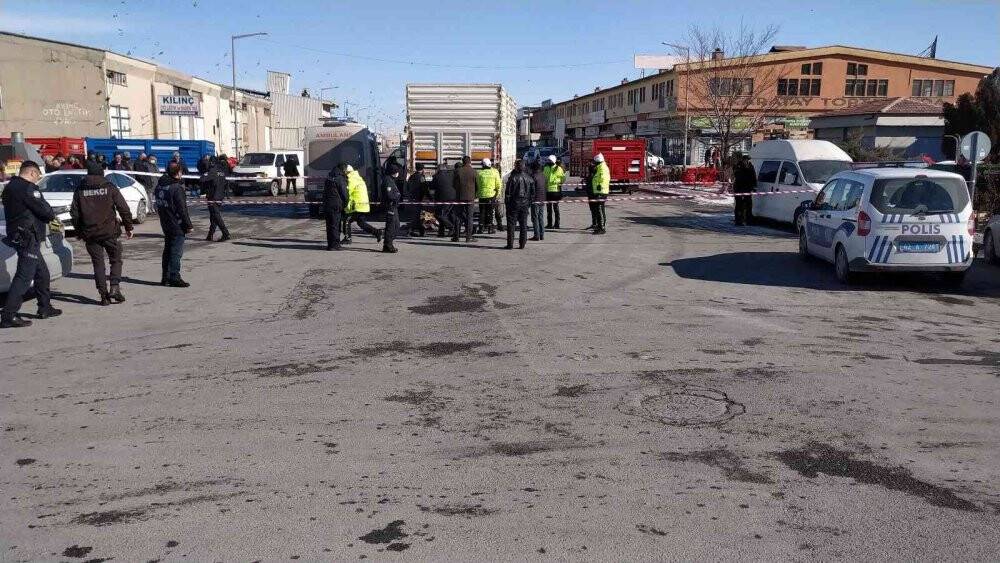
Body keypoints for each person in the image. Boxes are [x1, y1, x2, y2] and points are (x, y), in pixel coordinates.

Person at [1, 161, 61, 328]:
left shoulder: (9, 187)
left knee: (42, 272)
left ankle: (45, 307)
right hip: (28, 237)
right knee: (24, 276)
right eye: (37, 176)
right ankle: (8, 315)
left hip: (18, 234)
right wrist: (51, 216)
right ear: (32, 173)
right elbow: (46, 211)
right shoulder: (28, 189)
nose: (37, 180)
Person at [70, 160, 134, 305]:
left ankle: (103, 296)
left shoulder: (80, 189)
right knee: (116, 259)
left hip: (90, 234)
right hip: (109, 232)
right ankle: (115, 288)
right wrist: (129, 227)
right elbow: (123, 208)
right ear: (101, 172)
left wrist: (80, 232)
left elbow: (74, 214)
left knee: (98, 264)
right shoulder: (109, 187)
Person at [154, 163, 193, 287]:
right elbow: (182, 209)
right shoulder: (176, 188)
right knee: (176, 252)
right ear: (178, 173)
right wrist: (188, 225)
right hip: (176, 224)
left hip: (165, 222)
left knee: (167, 250)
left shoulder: (160, 185)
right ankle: (174, 277)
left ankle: (165, 277)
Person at [343, 164, 382, 245]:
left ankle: (348, 238)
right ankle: (377, 232)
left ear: (346, 172)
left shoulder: (351, 179)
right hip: (363, 205)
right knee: (361, 223)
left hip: (357, 206)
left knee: (347, 221)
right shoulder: (358, 178)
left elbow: (347, 192)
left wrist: (345, 204)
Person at [504, 160, 533, 250]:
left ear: (516, 167)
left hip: (513, 205)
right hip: (524, 205)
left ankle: (510, 244)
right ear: (524, 167)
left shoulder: (512, 178)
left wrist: (507, 205)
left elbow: (508, 193)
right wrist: (528, 204)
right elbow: (533, 194)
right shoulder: (529, 178)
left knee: (511, 225)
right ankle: (522, 244)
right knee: (523, 225)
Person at [323, 164, 350, 250]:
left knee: (329, 225)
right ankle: (335, 245)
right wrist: (345, 204)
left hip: (327, 204)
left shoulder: (329, 177)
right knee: (335, 225)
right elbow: (344, 194)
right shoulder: (340, 178)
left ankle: (330, 244)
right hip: (336, 205)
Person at [204, 157, 231, 241]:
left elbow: (203, 179)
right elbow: (226, 182)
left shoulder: (212, 171)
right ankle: (210, 235)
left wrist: (204, 175)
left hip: (213, 196)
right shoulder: (222, 171)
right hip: (220, 195)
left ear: (212, 163)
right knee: (214, 216)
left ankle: (225, 233)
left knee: (216, 216)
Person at [453, 156, 477, 242]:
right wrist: (475, 194)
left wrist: (459, 191)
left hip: (459, 197)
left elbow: (454, 184)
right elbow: (477, 185)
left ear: (463, 162)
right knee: (469, 217)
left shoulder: (458, 171)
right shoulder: (474, 171)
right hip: (470, 197)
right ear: (470, 162)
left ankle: (456, 236)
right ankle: (468, 237)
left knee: (458, 216)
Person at [476, 158, 502, 234]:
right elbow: (498, 185)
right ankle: (490, 229)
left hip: (481, 195)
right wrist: (498, 194)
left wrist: (477, 194)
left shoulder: (479, 173)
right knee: (490, 212)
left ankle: (481, 228)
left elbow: (477, 184)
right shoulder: (495, 172)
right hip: (491, 195)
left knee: (482, 212)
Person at [432, 161, 457, 237]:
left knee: (439, 215)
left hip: (442, 198)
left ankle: (451, 227)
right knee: (447, 214)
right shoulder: (451, 175)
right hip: (453, 197)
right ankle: (441, 232)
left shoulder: (436, 176)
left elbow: (432, 187)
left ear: (438, 169)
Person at [405, 164, 429, 237]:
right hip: (418, 198)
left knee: (417, 215)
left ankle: (421, 231)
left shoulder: (412, 176)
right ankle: (410, 231)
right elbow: (425, 188)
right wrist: (429, 197)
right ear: (422, 169)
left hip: (412, 198)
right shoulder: (421, 177)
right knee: (417, 216)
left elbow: (407, 186)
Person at [381, 169, 402, 253]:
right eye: (397, 172)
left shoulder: (391, 180)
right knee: (391, 226)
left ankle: (388, 243)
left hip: (393, 206)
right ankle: (388, 245)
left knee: (396, 225)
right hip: (390, 206)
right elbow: (389, 195)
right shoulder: (388, 181)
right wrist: (397, 195)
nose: (398, 173)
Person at [732, 153, 756, 226]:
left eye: (748, 160)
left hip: (747, 188)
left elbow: (753, 176)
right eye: (746, 160)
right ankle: (738, 221)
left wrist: (754, 186)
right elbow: (738, 176)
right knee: (739, 205)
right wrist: (744, 168)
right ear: (743, 160)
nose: (747, 161)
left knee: (749, 205)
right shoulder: (738, 166)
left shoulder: (750, 166)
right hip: (739, 188)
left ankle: (748, 220)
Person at [543, 154, 566, 229]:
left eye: (550, 160)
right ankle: (549, 224)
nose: (548, 161)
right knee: (548, 209)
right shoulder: (545, 168)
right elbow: (543, 177)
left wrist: (555, 181)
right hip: (547, 191)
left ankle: (557, 224)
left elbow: (563, 179)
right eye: (548, 160)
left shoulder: (559, 169)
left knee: (556, 208)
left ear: (553, 161)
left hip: (556, 191)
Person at [591, 153, 610, 235]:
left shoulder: (602, 168)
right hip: (599, 191)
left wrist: (599, 186)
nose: (594, 163)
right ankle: (600, 226)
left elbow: (603, 179)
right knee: (599, 209)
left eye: (595, 162)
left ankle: (602, 228)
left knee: (599, 209)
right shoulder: (600, 167)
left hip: (601, 192)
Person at [529, 160, 546, 241]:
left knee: (535, 218)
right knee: (541, 217)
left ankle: (536, 235)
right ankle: (542, 235)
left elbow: (531, 189)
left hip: (535, 200)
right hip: (542, 199)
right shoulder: (543, 175)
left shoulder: (533, 176)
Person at [584, 160, 598, 230]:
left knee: (595, 209)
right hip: (591, 194)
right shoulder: (591, 174)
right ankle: (594, 223)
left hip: (593, 194)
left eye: (591, 165)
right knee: (592, 209)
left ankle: (596, 224)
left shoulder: (593, 175)